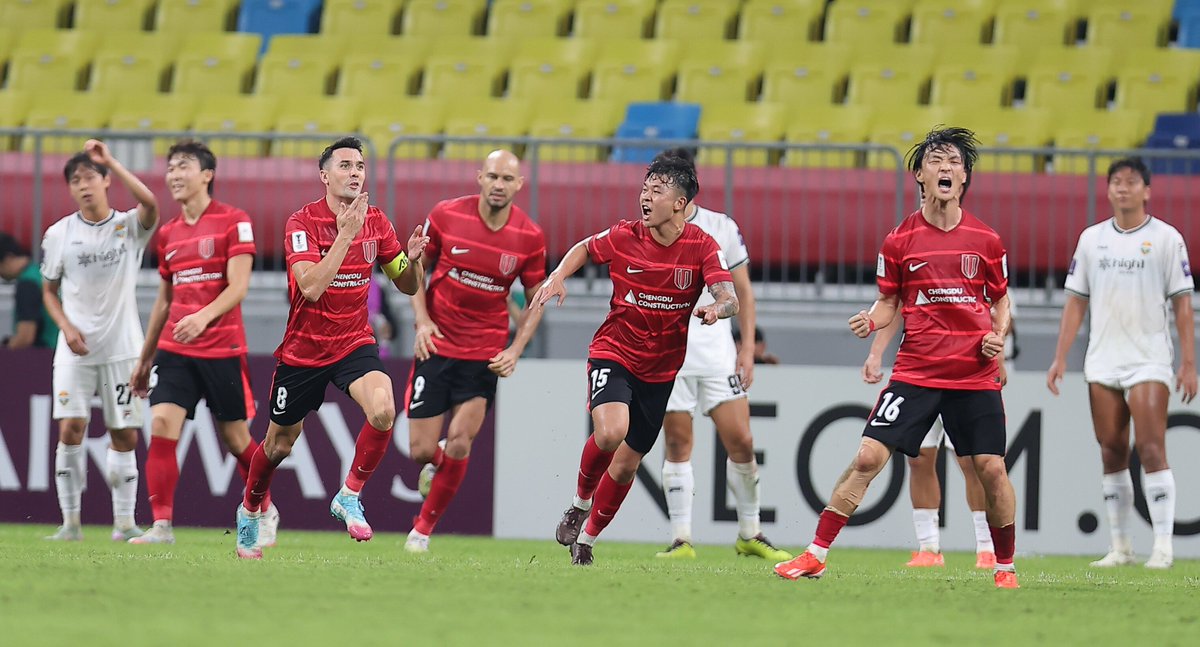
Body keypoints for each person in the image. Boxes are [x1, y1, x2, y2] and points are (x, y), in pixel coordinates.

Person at [773, 126, 1020, 589]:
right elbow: (890, 301)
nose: (946, 168)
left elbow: (1001, 298)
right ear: (919, 175)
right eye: (936, 161)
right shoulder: (899, 240)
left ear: (965, 177)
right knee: (868, 457)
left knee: (990, 468)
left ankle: (1004, 568)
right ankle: (815, 554)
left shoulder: (987, 240)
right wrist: (872, 318)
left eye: (954, 163)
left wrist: (997, 334)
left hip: (973, 373)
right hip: (917, 371)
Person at [540, 155, 739, 566]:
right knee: (611, 432)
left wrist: (718, 309)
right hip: (614, 351)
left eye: (657, 191)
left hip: (661, 370)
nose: (645, 198)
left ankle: (588, 541)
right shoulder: (623, 235)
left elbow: (730, 296)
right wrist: (559, 274)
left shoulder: (703, 246)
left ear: (680, 203)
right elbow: (583, 248)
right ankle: (578, 506)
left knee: (628, 464)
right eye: (644, 189)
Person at [235, 136, 428, 559]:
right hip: (303, 351)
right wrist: (345, 235)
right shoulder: (301, 223)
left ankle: (349, 495)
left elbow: (406, 283)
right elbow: (312, 287)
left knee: (383, 410)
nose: (354, 172)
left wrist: (412, 262)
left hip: (353, 341)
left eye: (359, 166)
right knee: (277, 447)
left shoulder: (377, 221)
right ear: (324, 176)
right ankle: (250, 510)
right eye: (344, 166)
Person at [1047, 157, 1196, 570]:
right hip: (1103, 357)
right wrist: (1060, 357)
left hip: (1148, 357)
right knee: (1111, 449)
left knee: (1150, 447)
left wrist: (1188, 363)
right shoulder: (1092, 240)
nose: (1123, 188)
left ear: (1147, 190)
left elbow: (1183, 303)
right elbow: (1076, 301)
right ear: (1108, 190)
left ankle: (1163, 547)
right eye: (1116, 182)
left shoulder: (1167, 239)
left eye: (1132, 182)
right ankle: (1121, 546)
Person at [128, 139, 276, 546]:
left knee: (235, 438)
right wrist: (145, 358)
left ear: (207, 174)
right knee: (160, 424)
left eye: (184, 167)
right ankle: (161, 527)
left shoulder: (234, 221)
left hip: (222, 347)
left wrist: (203, 317)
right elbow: (163, 301)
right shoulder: (169, 234)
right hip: (175, 350)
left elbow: (239, 286)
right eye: (171, 167)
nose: (174, 175)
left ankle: (264, 508)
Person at [402, 149, 547, 553]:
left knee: (463, 441)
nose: (499, 185)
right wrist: (422, 320)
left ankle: (421, 533)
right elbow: (417, 269)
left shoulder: (529, 236)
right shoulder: (447, 215)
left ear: (520, 185)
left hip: (483, 352)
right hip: (437, 344)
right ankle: (438, 460)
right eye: (493, 176)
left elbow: (536, 300)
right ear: (479, 177)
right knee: (420, 452)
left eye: (508, 179)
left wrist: (516, 349)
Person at [650, 149, 790, 562]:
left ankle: (750, 531)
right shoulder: (648, 230)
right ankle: (681, 539)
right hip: (670, 355)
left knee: (742, 441)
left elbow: (743, 290)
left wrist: (747, 348)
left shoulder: (720, 226)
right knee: (678, 442)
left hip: (716, 354)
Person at [38, 141, 158, 541]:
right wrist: (65, 328)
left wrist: (112, 160)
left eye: (90, 177)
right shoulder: (59, 234)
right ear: (70, 189)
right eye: (75, 180)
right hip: (75, 351)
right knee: (71, 427)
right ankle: (70, 522)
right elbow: (48, 291)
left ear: (106, 181)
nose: (83, 185)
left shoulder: (126, 227)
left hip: (124, 349)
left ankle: (124, 524)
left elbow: (152, 205)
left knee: (124, 434)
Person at [864, 316, 1004, 569]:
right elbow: (895, 307)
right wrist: (876, 353)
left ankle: (986, 547)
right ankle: (929, 547)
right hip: (921, 377)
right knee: (919, 459)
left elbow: (997, 313)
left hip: (965, 378)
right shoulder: (916, 276)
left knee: (972, 462)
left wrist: (998, 360)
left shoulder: (974, 277)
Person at [1, 232, 58, 349]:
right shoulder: (42, 274)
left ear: (8, 258)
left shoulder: (27, 283)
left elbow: (25, 337)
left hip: (45, 355)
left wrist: (6, 349)